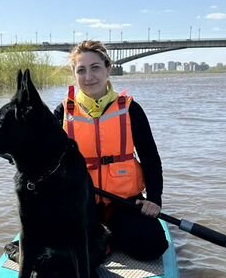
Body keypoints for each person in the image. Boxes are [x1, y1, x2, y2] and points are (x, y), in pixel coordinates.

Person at [54, 40, 168, 261]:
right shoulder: (62, 112)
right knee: (70, 251)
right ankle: (99, 239)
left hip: (123, 201)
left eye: (95, 67)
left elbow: (150, 157)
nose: (89, 77)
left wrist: (154, 198)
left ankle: (108, 237)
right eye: (81, 70)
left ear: (108, 68)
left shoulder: (130, 109)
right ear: (74, 74)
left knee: (153, 247)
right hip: (80, 202)